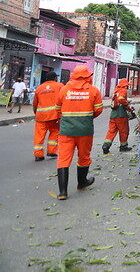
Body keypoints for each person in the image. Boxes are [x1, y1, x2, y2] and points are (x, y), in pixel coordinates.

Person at [54, 66, 103, 200]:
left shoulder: (64, 90)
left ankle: (62, 192)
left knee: (63, 159)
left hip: (66, 130)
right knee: (84, 157)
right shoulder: (93, 91)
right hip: (85, 130)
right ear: (86, 77)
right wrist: (87, 118)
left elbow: (58, 109)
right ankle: (82, 182)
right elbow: (98, 110)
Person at [32, 71, 63, 161]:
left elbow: (35, 104)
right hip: (55, 115)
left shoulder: (39, 88)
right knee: (54, 132)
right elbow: (63, 99)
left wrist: (36, 113)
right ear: (55, 78)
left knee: (39, 136)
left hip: (41, 116)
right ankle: (51, 151)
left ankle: (38, 155)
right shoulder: (60, 86)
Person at [102, 78, 134, 154]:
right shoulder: (123, 91)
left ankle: (106, 146)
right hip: (121, 114)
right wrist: (127, 105)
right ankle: (123, 146)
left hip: (113, 114)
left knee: (111, 131)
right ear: (125, 85)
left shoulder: (116, 91)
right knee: (124, 131)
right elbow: (121, 99)